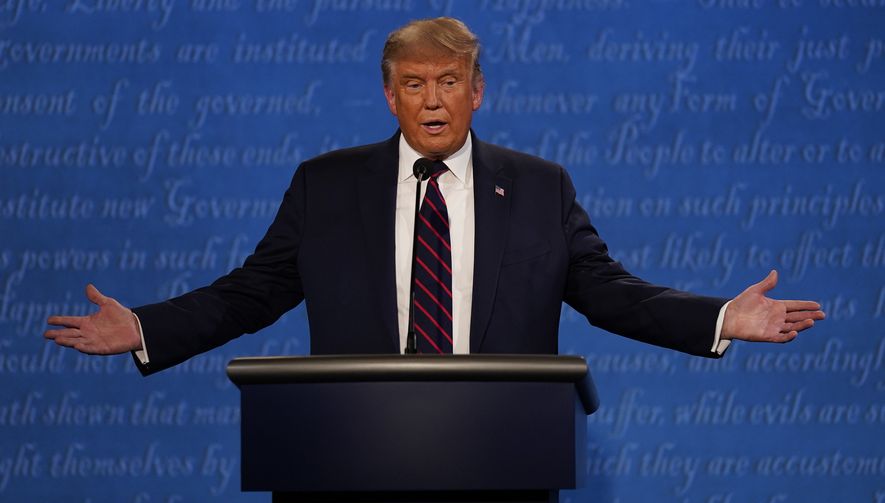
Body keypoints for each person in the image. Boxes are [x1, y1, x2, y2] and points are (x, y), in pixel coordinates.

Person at [44, 17, 824, 375]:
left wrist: (721, 316)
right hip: (350, 450)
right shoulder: (327, 184)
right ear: (388, 97)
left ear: (477, 91)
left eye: (448, 81)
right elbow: (251, 293)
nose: (432, 99)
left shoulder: (537, 187)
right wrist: (147, 327)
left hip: (504, 452)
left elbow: (608, 294)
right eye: (413, 84)